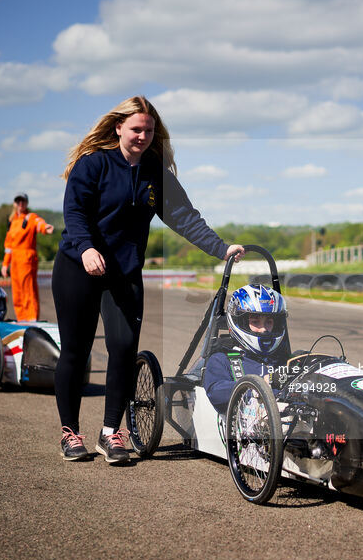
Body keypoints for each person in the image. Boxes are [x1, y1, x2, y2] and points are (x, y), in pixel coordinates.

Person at [53, 95, 245, 463]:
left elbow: (184, 216)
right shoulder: (93, 165)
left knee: (123, 349)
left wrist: (221, 248)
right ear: (119, 128)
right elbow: (74, 212)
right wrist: (85, 249)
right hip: (79, 267)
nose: (142, 136)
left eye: (149, 130)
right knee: (75, 351)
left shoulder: (155, 172)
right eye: (136, 129)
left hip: (123, 273)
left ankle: (110, 433)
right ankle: (70, 432)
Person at [204, 284, 289, 415]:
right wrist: (257, 385)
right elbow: (216, 393)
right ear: (240, 322)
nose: (264, 329)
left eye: (269, 322)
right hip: (246, 426)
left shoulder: (283, 362)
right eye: (255, 322)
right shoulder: (222, 360)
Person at [0, 193, 54, 321]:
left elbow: (39, 223)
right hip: (15, 260)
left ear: (26, 203)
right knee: (17, 291)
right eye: (18, 201)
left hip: (27, 258)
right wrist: (5, 264)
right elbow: (9, 245)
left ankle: (31, 318)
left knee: (28, 290)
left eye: (23, 201)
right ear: (14, 203)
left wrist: (45, 228)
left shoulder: (30, 217)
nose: (20, 204)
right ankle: (22, 319)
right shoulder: (12, 221)